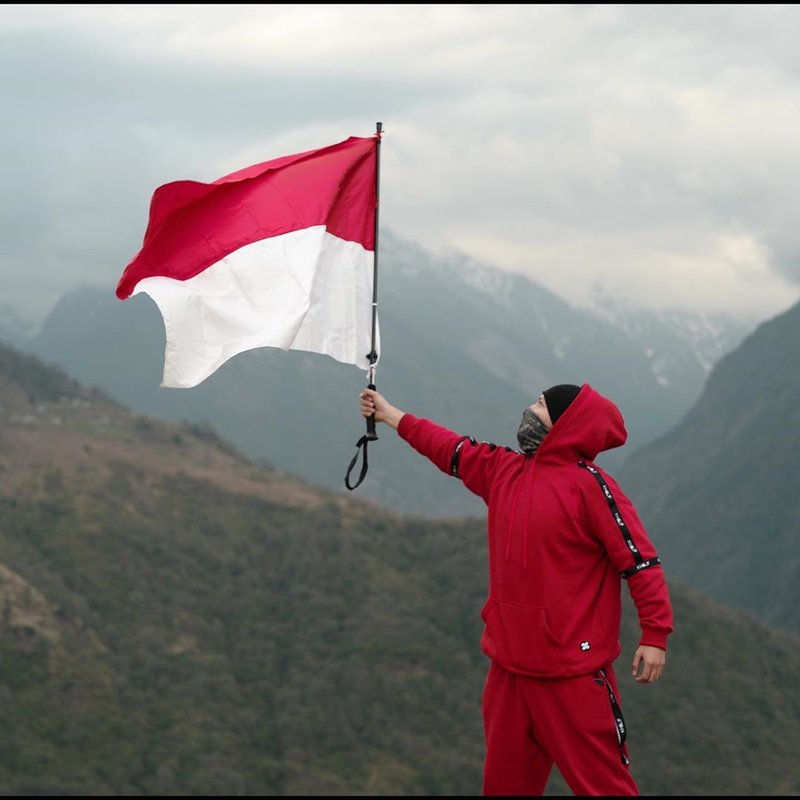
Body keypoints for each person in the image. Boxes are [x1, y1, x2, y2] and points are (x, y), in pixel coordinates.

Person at [359, 382, 674, 796]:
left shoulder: (594, 488)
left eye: (541, 405)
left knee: (605, 787)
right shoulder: (502, 470)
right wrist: (389, 414)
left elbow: (641, 562)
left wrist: (655, 634)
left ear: (566, 424)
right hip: (508, 671)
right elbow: (449, 449)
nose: (529, 409)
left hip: (572, 677)